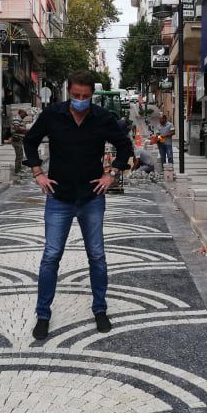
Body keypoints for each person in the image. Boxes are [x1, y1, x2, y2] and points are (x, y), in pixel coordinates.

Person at [23, 70, 133, 339]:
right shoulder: (53, 114)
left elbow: (125, 147)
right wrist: (38, 173)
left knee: (97, 256)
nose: (80, 101)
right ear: (68, 92)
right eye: (76, 95)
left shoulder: (102, 118)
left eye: (85, 96)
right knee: (51, 256)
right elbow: (30, 140)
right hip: (58, 197)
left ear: (92, 95)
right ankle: (43, 314)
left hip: (91, 197)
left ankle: (100, 309)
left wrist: (112, 174)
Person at [11, 109, 29, 175]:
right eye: (24, 115)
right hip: (17, 139)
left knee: (20, 155)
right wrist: (25, 130)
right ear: (21, 113)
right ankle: (17, 171)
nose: (24, 116)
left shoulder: (19, 119)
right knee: (19, 156)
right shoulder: (17, 119)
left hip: (19, 139)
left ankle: (19, 169)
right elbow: (16, 128)